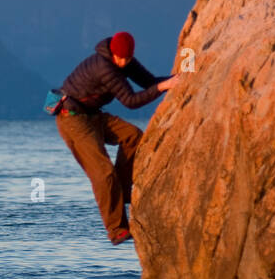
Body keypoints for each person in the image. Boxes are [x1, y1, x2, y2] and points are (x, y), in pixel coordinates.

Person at [53, 32, 180, 244]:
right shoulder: (104, 66)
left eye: (128, 59)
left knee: (133, 137)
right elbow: (130, 101)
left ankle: (123, 190)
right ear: (113, 53)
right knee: (103, 174)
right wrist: (163, 87)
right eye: (121, 58)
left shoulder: (126, 60)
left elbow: (148, 82)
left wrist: (177, 79)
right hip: (73, 120)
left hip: (94, 115)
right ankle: (116, 229)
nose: (124, 63)